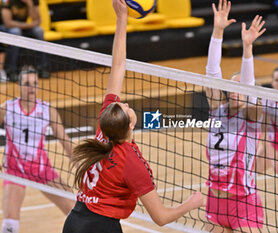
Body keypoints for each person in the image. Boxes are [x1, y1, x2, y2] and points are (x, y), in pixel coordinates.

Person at [62, 1, 204, 232]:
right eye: (126, 107)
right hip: (101, 227)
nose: (125, 102)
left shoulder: (104, 129)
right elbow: (161, 217)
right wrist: (191, 204)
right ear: (131, 124)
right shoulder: (130, 161)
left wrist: (122, 18)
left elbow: (118, 65)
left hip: (74, 221)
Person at [204, 0, 266, 232]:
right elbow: (211, 74)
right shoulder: (217, 113)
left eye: (239, 88)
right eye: (231, 86)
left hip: (243, 203)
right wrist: (218, 31)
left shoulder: (251, 121)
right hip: (215, 200)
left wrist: (247, 48)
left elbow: (249, 89)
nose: (234, 91)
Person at [0, 66, 75, 233]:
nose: (32, 87)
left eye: (35, 83)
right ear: (19, 86)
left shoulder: (47, 110)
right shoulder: (8, 108)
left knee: (76, 212)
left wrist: (81, 165)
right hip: (14, 171)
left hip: (42, 170)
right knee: (9, 226)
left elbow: (65, 140)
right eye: (27, 83)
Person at [0, 0, 49, 81]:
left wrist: (29, 4)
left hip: (23, 27)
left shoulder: (33, 1)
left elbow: (37, 20)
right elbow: (8, 23)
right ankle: (11, 70)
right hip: (4, 29)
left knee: (39, 31)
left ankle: (42, 68)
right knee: (16, 32)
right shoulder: (6, 1)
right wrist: (28, 25)